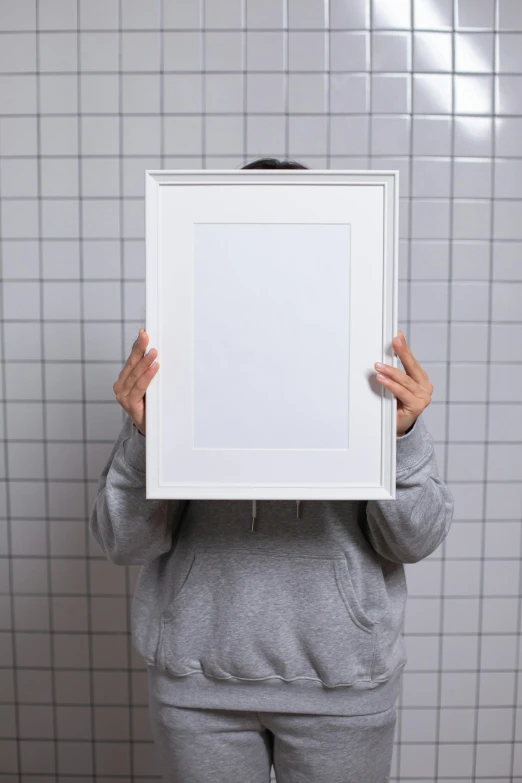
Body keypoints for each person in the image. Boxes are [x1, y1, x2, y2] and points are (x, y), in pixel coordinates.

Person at [89, 157, 454, 782]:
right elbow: (123, 541)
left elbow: (415, 540)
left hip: (342, 682)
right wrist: (147, 436)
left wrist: (403, 437)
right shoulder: (177, 357)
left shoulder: (367, 359)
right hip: (198, 683)